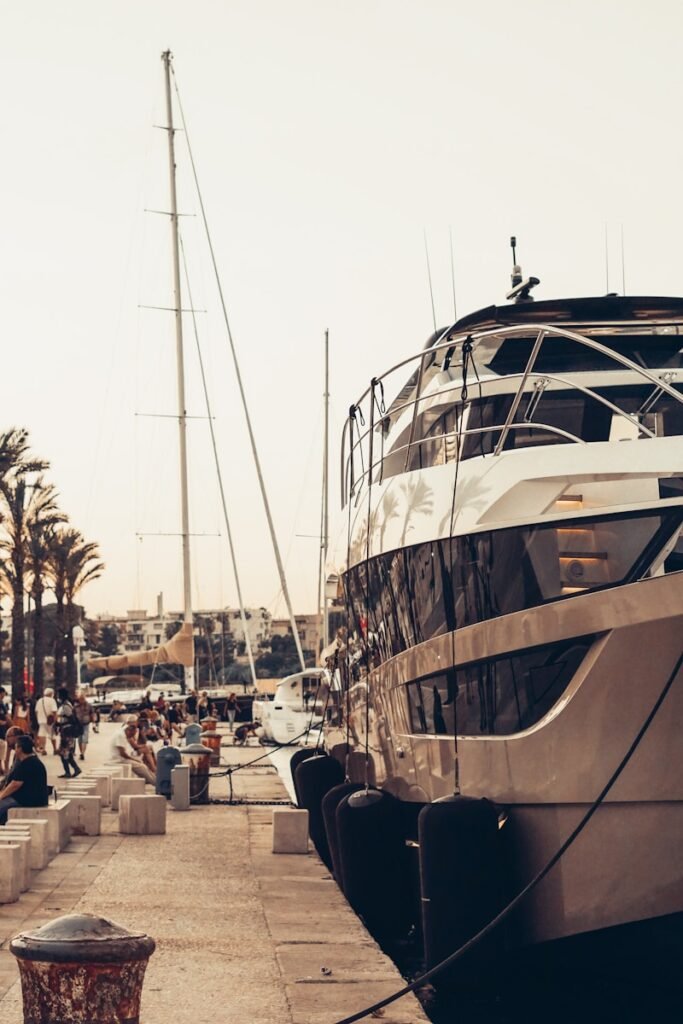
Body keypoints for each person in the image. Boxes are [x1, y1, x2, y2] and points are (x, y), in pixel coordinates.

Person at [0, 734, 48, 825]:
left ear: (20, 749)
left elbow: (15, 785)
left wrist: (1, 796)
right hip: (33, 798)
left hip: (29, 800)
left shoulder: (27, 764)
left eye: (16, 747)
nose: (15, 750)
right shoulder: (32, 761)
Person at [108, 721, 156, 785]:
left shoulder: (123, 731)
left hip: (122, 757)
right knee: (142, 767)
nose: (130, 737)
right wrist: (134, 759)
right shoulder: (120, 735)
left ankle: (154, 779)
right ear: (129, 731)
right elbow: (123, 754)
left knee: (143, 766)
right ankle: (155, 783)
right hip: (118, 759)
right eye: (131, 735)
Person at [56, 687, 82, 779]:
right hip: (65, 731)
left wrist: (62, 723)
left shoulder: (66, 706)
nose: (57, 697)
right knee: (67, 753)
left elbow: (71, 718)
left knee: (64, 752)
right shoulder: (65, 705)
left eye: (58, 695)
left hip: (67, 732)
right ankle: (75, 769)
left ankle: (69, 771)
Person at [34, 687, 58, 755]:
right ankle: (55, 749)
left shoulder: (40, 700)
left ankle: (43, 749)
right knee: (52, 735)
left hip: (41, 720)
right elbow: (54, 711)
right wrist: (55, 720)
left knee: (42, 734)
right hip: (50, 721)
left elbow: (36, 711)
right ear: (51, 694)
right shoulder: (52, 700)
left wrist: (38, 718)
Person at [74, 693, 94, 760]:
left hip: (86, 723)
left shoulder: (88, 705)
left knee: (84, 739)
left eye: (82, 699)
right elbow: (73, 715)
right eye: (80, 699)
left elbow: (92, 714)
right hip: (78, 724)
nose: (81, 700)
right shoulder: (76, 706)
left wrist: (93, 722)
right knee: (80, 739)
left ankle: (82, 753)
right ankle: (81, 753)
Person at [0, 687, 10, 772]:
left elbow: (7, 715)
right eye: (3, 694)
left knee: (2, 747)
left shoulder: (2, 703)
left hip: (2, 731)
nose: (3, 695)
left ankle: (1, 767)